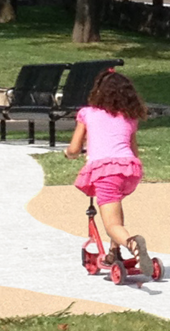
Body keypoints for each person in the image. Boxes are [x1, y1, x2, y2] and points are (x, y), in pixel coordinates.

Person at [65, 68, 153, 277]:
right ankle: (114, 252)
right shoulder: (129, 117)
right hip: (129, 169)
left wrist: (68, 154)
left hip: (105, 171)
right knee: (116, 207)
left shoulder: (87, 114)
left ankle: (133, 245)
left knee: (111, 224)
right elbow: (133, 150)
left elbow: (75, 149)